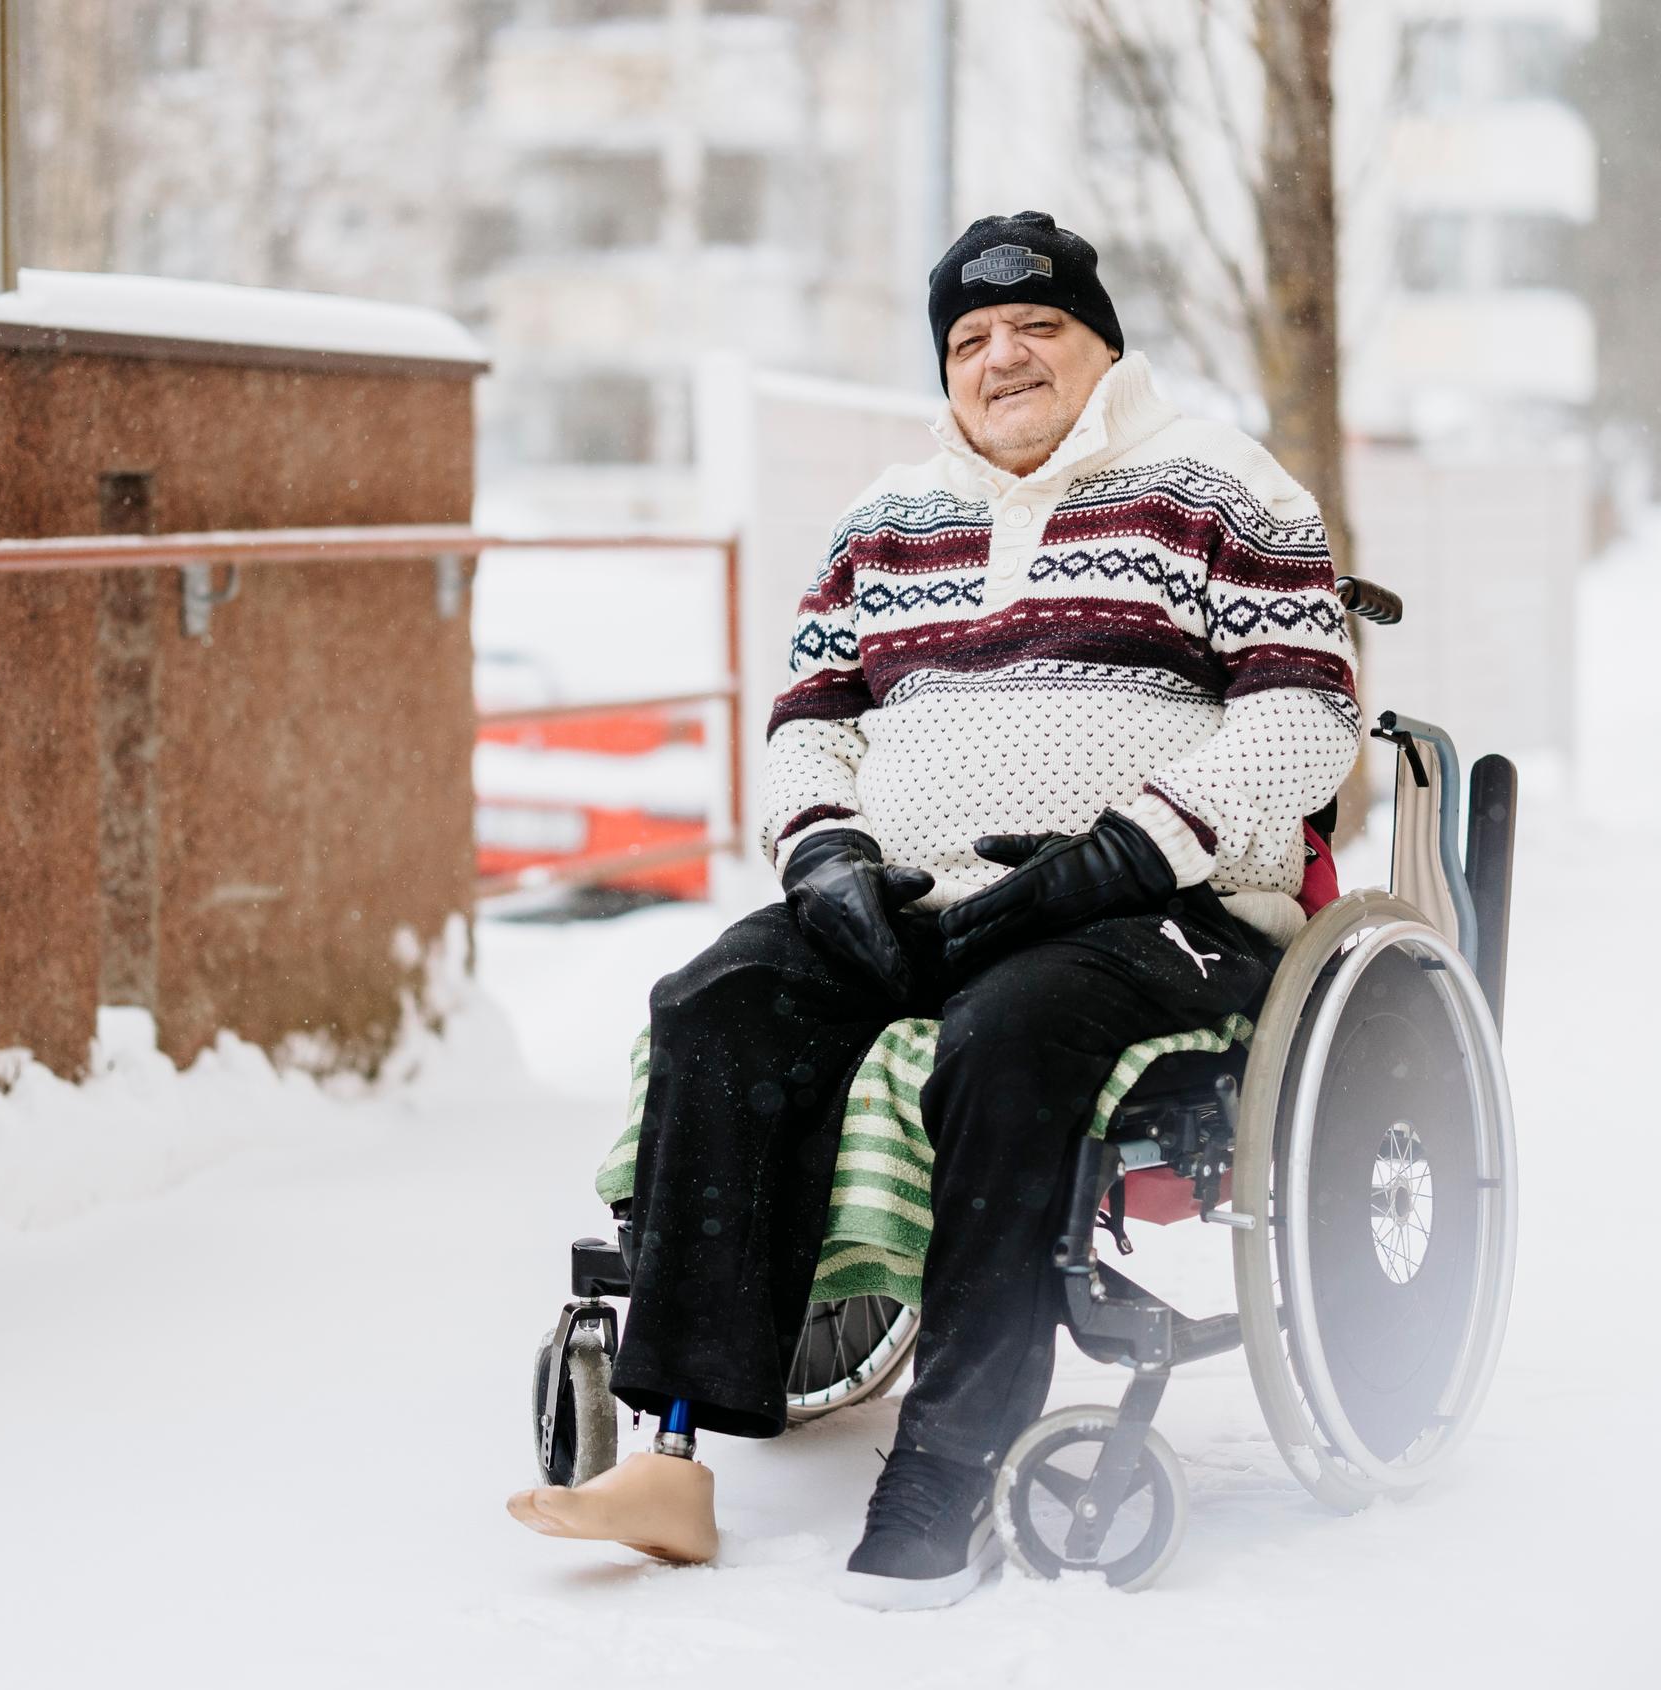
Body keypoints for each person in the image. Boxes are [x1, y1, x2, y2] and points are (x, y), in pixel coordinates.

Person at [506, 211, 1359, 1609]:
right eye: (968, 339)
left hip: (1149, 909)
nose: (1000, 358)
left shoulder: (1216, 482)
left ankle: (948, 1468)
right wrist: (826, 859)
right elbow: (807, 724)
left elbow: (1305, 713)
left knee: (1008, 1034)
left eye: (1036, 328)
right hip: (915, 900)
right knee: (714, 1003)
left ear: (1102, 346)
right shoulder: (885, 518)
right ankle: (670, 1454)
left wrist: (1125, 849)